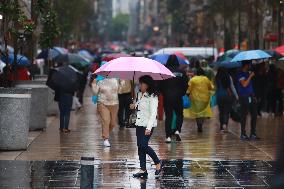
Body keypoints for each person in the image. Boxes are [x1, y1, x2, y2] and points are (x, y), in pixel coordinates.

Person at [131, 75, 163, 179]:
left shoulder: (153, 96)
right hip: (139, 123)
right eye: (139, 83)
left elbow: (153, 113)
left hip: (147, 124)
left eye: (141, 83)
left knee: (143, 145)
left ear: (147, 84)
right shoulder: (139, 94)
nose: (139, 85)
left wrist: (149, 128)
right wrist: (134, 105)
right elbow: (139, 106)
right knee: (140, 147)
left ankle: (158, 163)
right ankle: (143, 169)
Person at [160, 55, 188, 143]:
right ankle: (177, 130)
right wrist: (182, 93)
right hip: (178, 97)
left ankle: (168, 136)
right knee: (179, 114)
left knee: (169, 116)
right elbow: (186, 84)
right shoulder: (182, 72)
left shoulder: (164, 72)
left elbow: (160, 85)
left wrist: (164, 93)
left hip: (167, 97)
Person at [92, 74, 119, 147]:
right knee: (106, 120)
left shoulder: (116, 80)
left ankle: (106, 133)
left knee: (113, 123)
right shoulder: (100, 81)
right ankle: (106, 139)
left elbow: (121, 90)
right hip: (102, 103)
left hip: (114, 103)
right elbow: (95, 92)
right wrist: (94, 84)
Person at [236, 61, 259, 140]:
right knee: (244, 115)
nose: (250, 66)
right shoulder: (240, 74)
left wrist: (254, 95)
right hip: (244, 97)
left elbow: (250, 86)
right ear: (246, 65)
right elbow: (244, 84)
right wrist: (250, 76)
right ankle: (243, 133)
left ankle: (253, 133)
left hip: (251, 96)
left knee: (254, 114)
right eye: (249, 65)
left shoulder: (248, 73)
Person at [187, 68, 214, 132]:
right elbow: (211, 87)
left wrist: (187, 94)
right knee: (203, 112)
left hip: (195, 99)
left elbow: (189, 88)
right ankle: (200, 124)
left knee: (197, 113)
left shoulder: (193, 79)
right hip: (205, 99)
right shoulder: (206, 79)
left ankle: (199, 124)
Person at [215, 67, 238, 132]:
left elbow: (216, 87)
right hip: (227, 96)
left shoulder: (217, 77)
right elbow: (232, 87)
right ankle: (225, 124)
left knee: (221, 112)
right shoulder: (228, 77)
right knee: (226, 112)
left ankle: (221, 127)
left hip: (219, 96)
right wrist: (236, 96)